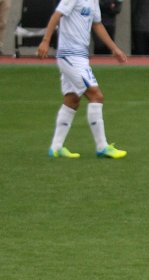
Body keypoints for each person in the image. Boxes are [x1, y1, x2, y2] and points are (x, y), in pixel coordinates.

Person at [37, 0, 128, 160]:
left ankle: (56, 147)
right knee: (96, 95)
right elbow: (57, 15)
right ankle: (102, 147)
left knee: (72, 100)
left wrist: (114, 49)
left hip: (79, 56)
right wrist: (45, 41)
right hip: (69, 55)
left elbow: (97, 24)